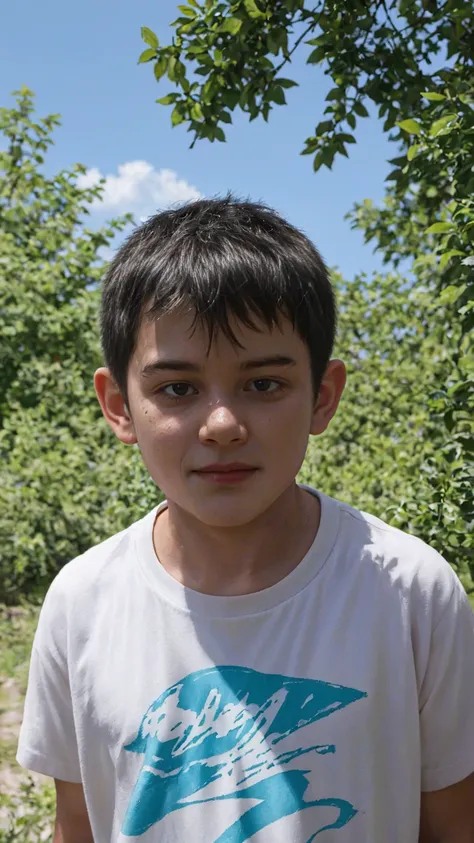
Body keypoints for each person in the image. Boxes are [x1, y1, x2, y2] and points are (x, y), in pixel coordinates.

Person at [17, 196, 474, 842]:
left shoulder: (412, 592)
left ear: (322, 396)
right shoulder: (81, 603)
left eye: (263, 384)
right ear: (119, 406)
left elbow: (454, 824)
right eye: (177, 388)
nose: (223, 424)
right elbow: (78, 826)